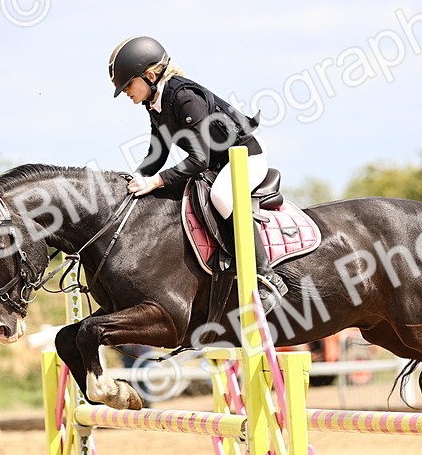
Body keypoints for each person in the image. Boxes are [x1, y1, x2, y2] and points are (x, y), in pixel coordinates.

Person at [109, 35, 289, 310]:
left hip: (245, 157)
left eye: (128, 85)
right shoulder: (156, 103)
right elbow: (157, 152)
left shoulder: (184, 98)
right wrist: (132, 181)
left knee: (220, 196)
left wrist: (155, 181)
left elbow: (198, 160)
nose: (126, 93)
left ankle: (266, 277)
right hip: (219, 163)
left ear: (148, 75)